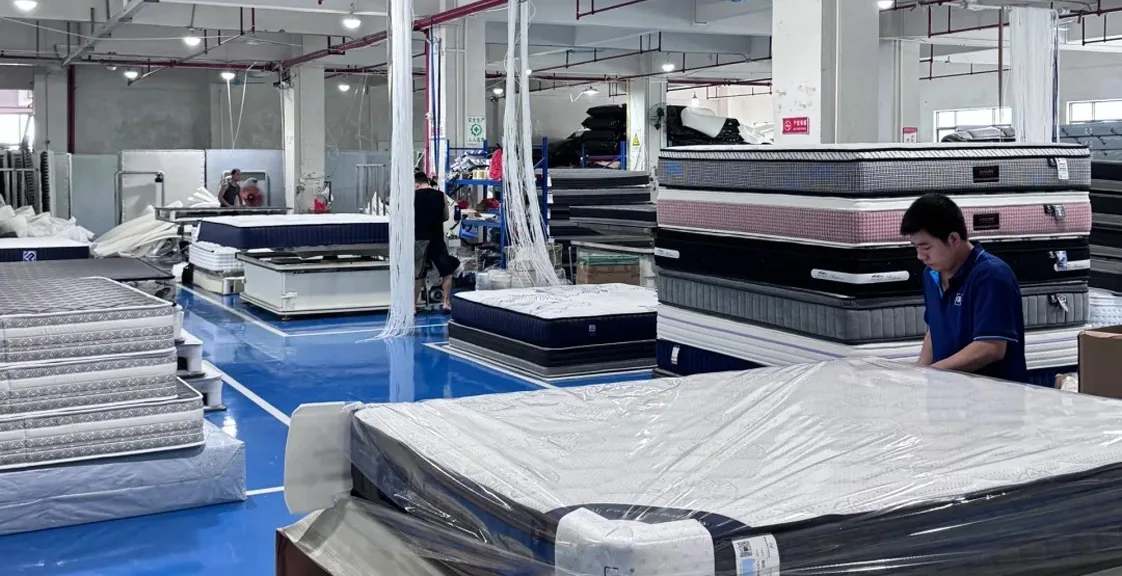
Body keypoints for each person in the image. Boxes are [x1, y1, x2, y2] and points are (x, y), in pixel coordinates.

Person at [900, 193, 1028, 383]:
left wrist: (933, 372)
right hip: (947, 392)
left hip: (993, 395)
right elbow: (934, 331)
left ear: (953, 239)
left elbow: (991, 347)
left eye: (926, 248)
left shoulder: (991, 275)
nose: (920, 256)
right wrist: (920, 373)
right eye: (916, 247)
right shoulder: (931, 275)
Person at [414, 171, 459, 313]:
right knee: (446, 272)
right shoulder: (441, 196)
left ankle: (413, 306)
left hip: (420, 239)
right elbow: (446, 217)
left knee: (418, 274)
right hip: (437, 238)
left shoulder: (412, 196)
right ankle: (446, 302)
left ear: (416, 185)